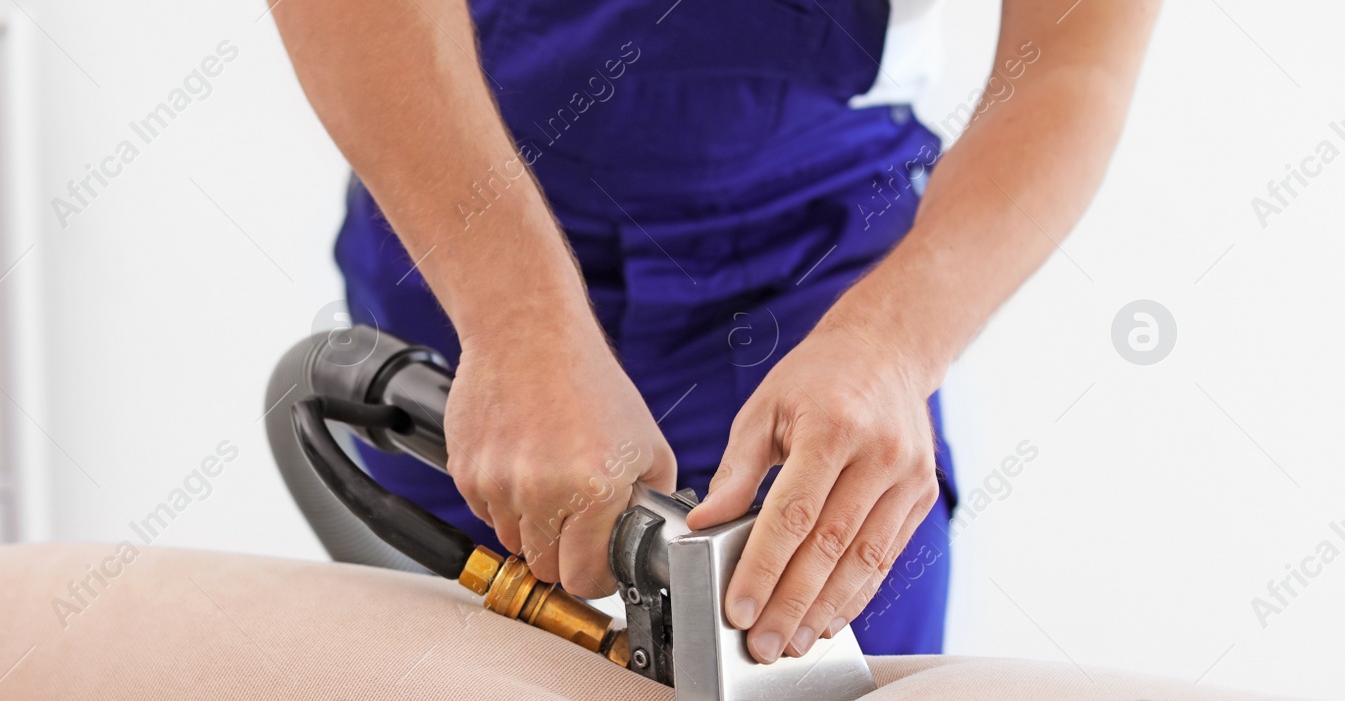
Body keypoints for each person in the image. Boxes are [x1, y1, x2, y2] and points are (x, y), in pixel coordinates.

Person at [274, 0, 1160, 662]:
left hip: (808, 284)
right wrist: (517, 321)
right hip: (460, 235)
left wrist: (888, 351)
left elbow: (1071, 65)